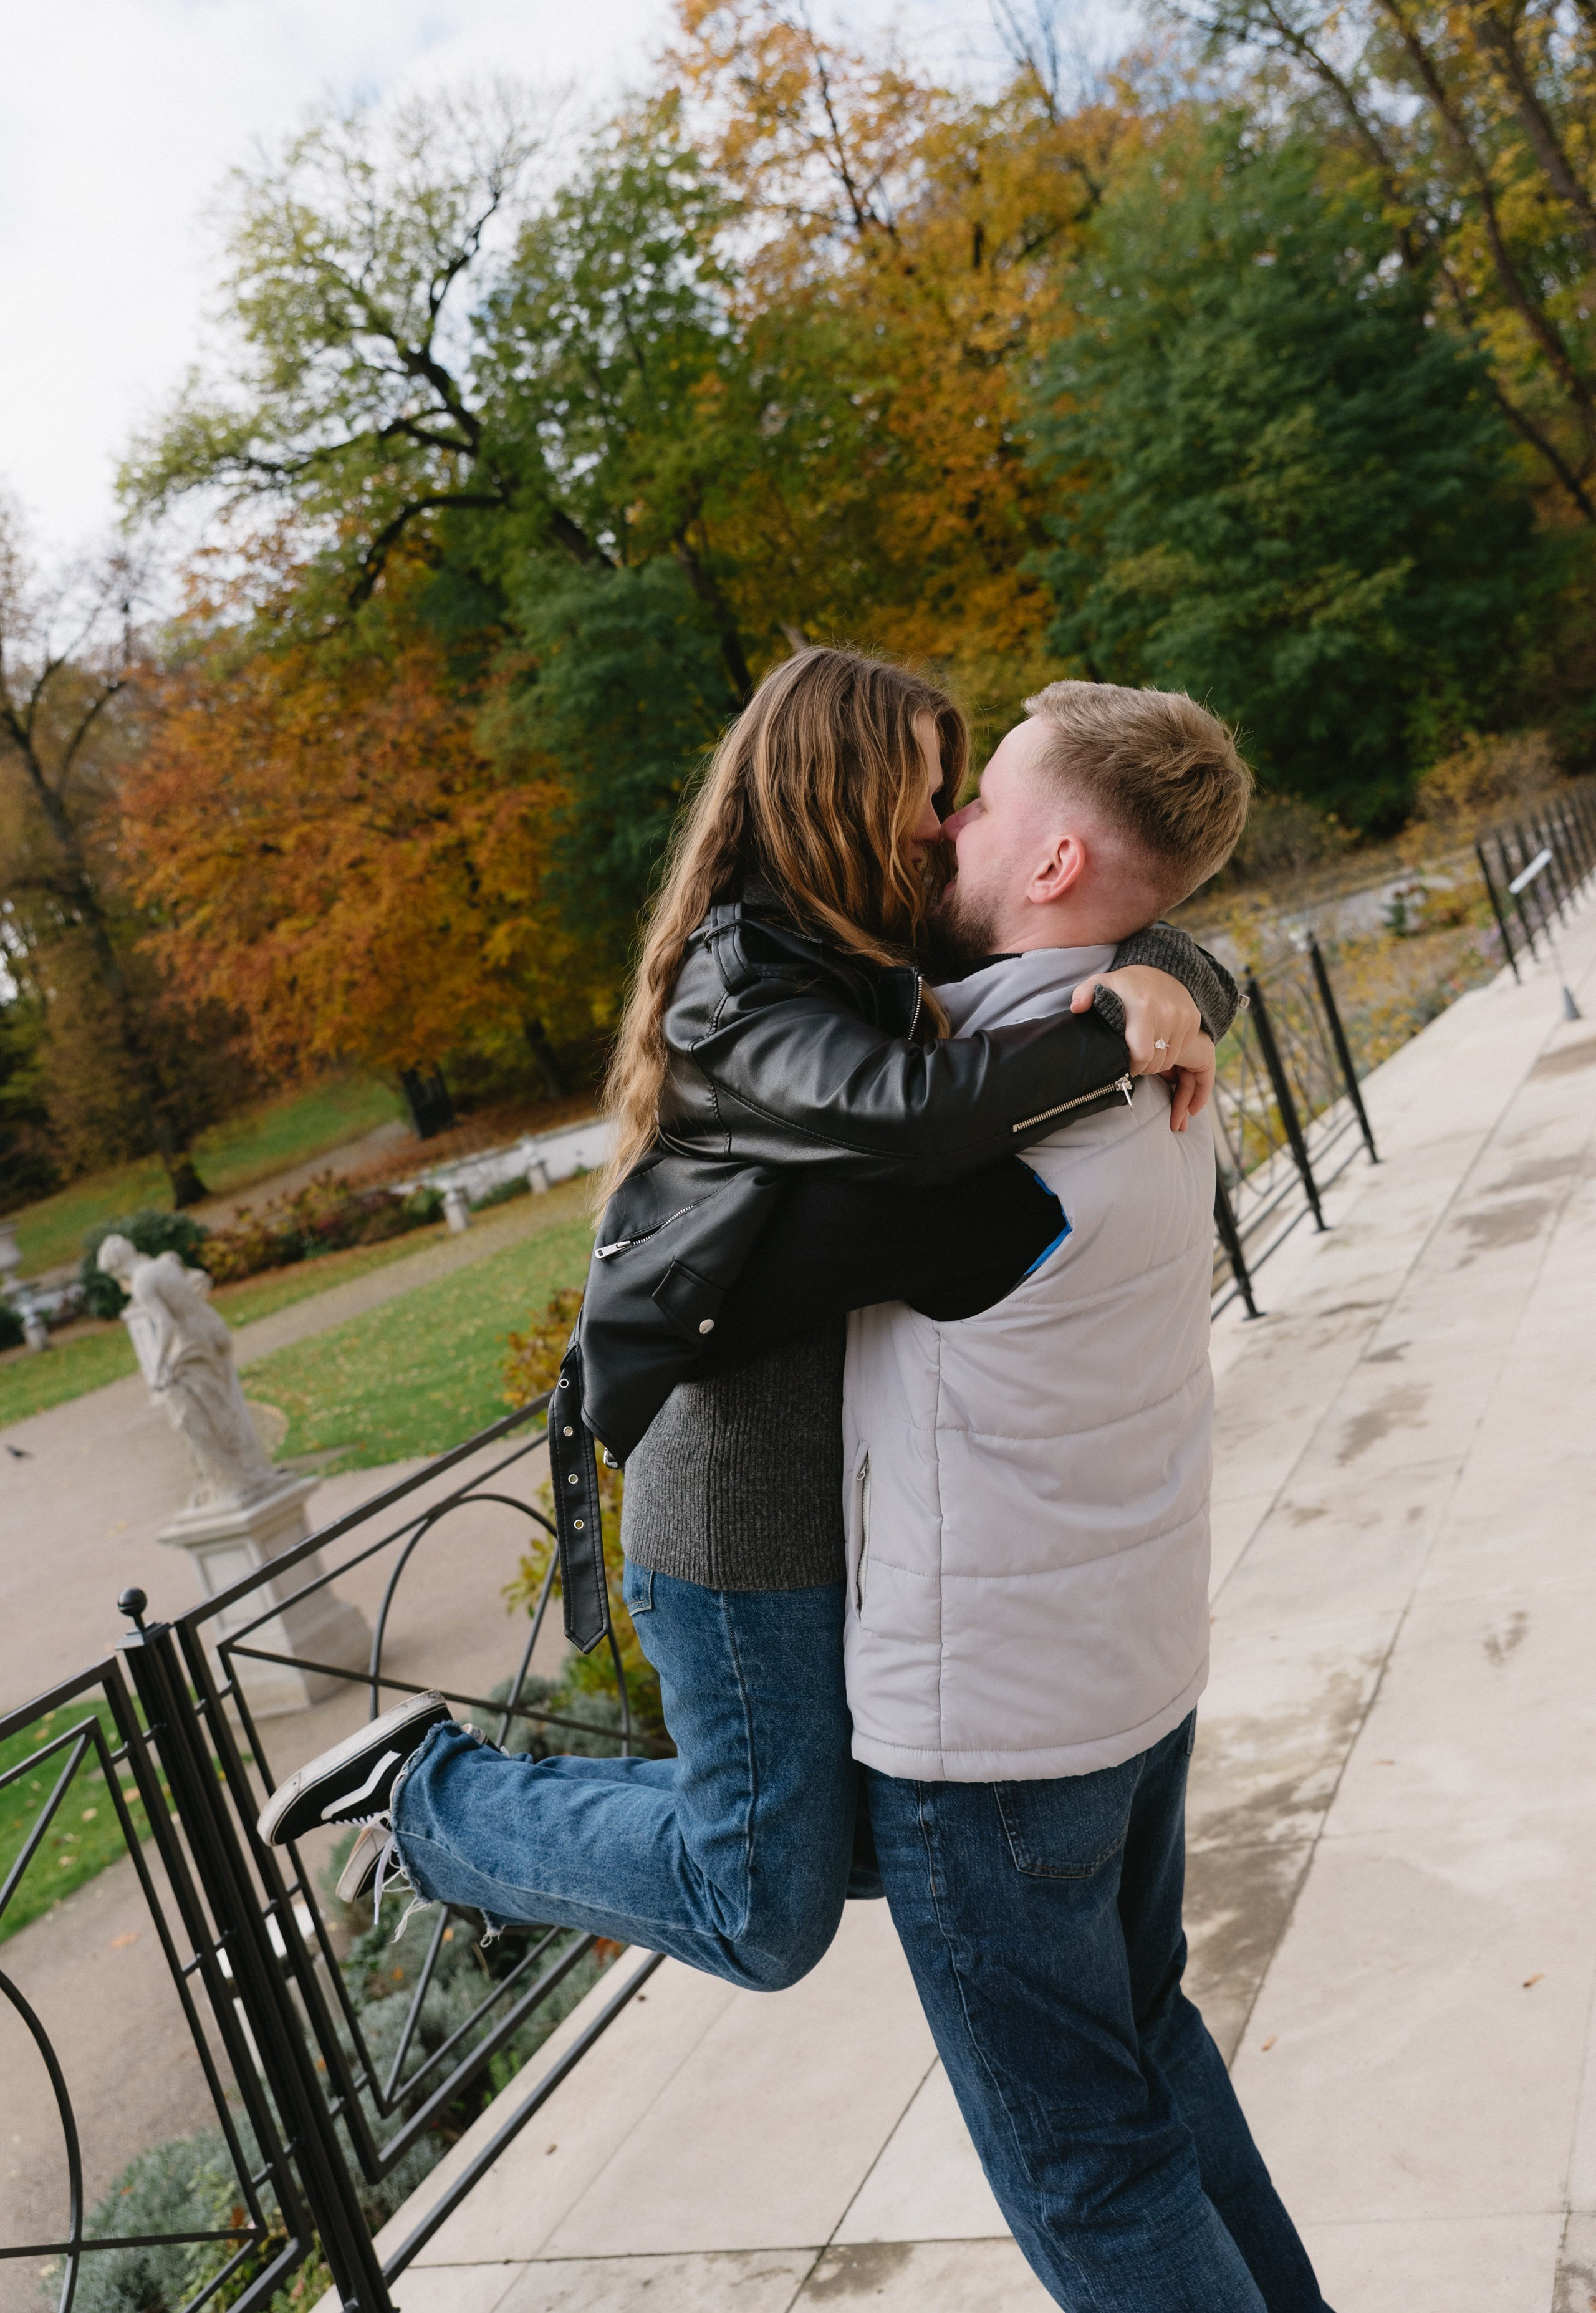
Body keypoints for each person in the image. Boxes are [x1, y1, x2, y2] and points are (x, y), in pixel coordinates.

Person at [257, 647, 1230, 1974]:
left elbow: (1109, 902)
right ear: (841, 793)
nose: (948, 827)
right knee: (763, 1913)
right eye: (931, 794)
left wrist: (1177, 979)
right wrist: (1117, 1023)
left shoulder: (878, 939)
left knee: (903, 1833)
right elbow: (916, 1118)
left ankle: (469, 1804)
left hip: (837, 1484)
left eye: (963, 796)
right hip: (731, 1491)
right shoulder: (749, 966)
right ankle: (432, 1798)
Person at [840, 683, 1332, 2312]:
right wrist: (1139, 965)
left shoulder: (966, 1083)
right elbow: (1198, 964)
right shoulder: (1145, 1044)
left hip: (990, 1729)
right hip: (1127, 1675)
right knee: (1155, 2059)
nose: (945, 824)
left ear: (1054, 857)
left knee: (1091, 2161)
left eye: (977, 800)